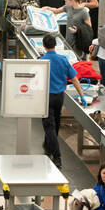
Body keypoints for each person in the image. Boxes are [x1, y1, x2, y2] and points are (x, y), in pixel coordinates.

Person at [39, 33, 79, 166]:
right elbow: (74, 78)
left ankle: (57, 157)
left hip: (46, 98)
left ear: (43, 46)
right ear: (55, 45)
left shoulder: (41, 61)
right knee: (55, 124)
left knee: (49, 127)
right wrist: (82, 95)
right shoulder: (63, 59)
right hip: (59, 97)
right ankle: (48, 147)